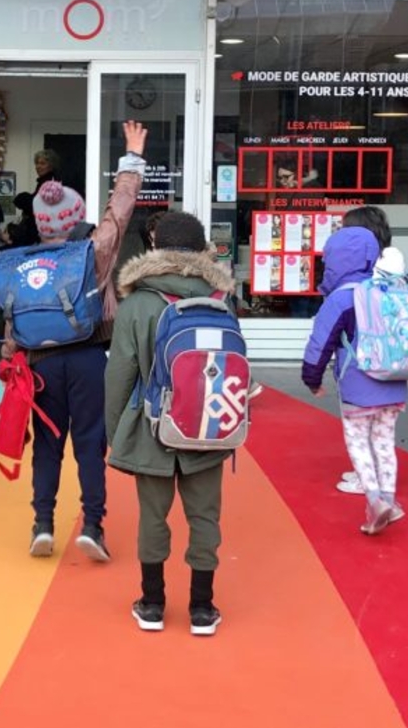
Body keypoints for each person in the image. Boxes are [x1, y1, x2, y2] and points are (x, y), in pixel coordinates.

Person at [0, 121, 147, 561]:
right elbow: (119, 212)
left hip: (39, 365)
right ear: (76, 217)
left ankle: (42, 525)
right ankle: (93, 527)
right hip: (88, 359)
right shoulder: (92, 252)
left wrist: (10, 357)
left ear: (40, 221)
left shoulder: (22, 263)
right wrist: (132, 158)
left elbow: (13, 318)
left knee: (48, 447)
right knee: (89, 444)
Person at [106, 211, 235, 636]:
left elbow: (119, 375)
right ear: (202, 249)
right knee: (205, 516)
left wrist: (116, 433)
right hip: (208, 425)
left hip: (153, 427)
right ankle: (202, 607)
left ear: (155, 247)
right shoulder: (220, 298)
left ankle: (152, 604)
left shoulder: (137, 303)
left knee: (152, 517)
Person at [303, 226, 408, 535]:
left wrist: (312, 378)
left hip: (357, 385)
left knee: (359, 441)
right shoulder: (390, 289)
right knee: (385, 442)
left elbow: (320, 343)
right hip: (394, 381)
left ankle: (374, 500)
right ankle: (390, 497)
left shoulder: (341, 298)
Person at [334, 206, 408, 496]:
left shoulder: (361, 275)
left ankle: (367, 482)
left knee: (359, 430)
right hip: (395, 365)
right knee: (383, 433)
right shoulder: (397, 271)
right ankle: (384, 485)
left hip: (362, 364)